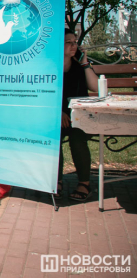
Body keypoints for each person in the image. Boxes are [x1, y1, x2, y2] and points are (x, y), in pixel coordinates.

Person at [59, 29, 98, 201]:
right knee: (54, 137)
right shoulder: (50, 68)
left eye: (75, 42)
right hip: (59, 117)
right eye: (68, 42)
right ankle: (56, 181)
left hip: (81, 117)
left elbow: (95, 88)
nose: (73, 46)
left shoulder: (79, 67)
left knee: (76, 138)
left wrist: (85, 63)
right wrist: (58, 112)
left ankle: (84, 184)